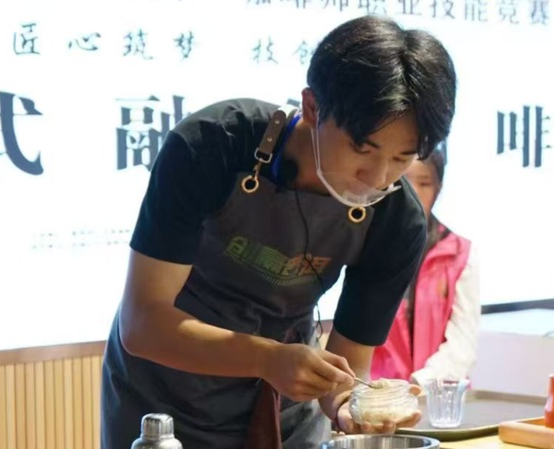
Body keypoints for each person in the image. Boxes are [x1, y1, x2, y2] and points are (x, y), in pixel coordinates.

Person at [100, 15, 457, 449]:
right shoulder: (212, 146)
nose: (378, 177)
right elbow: (143, 323)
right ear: (312, 107)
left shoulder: (397, 218)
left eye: (402, 158)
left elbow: (348, 365)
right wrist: (267, 358)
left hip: (283, 409)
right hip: (162, 405)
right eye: (361, 148)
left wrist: (352, 406)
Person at [370, 148, 480, 386]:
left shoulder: (459, 254)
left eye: (425, 183)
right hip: (381, 394)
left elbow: (463, 343)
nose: (414, 193)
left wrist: (419, 383)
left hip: (439, 394)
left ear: (438, 189)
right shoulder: (368, 248)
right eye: (404, 182)